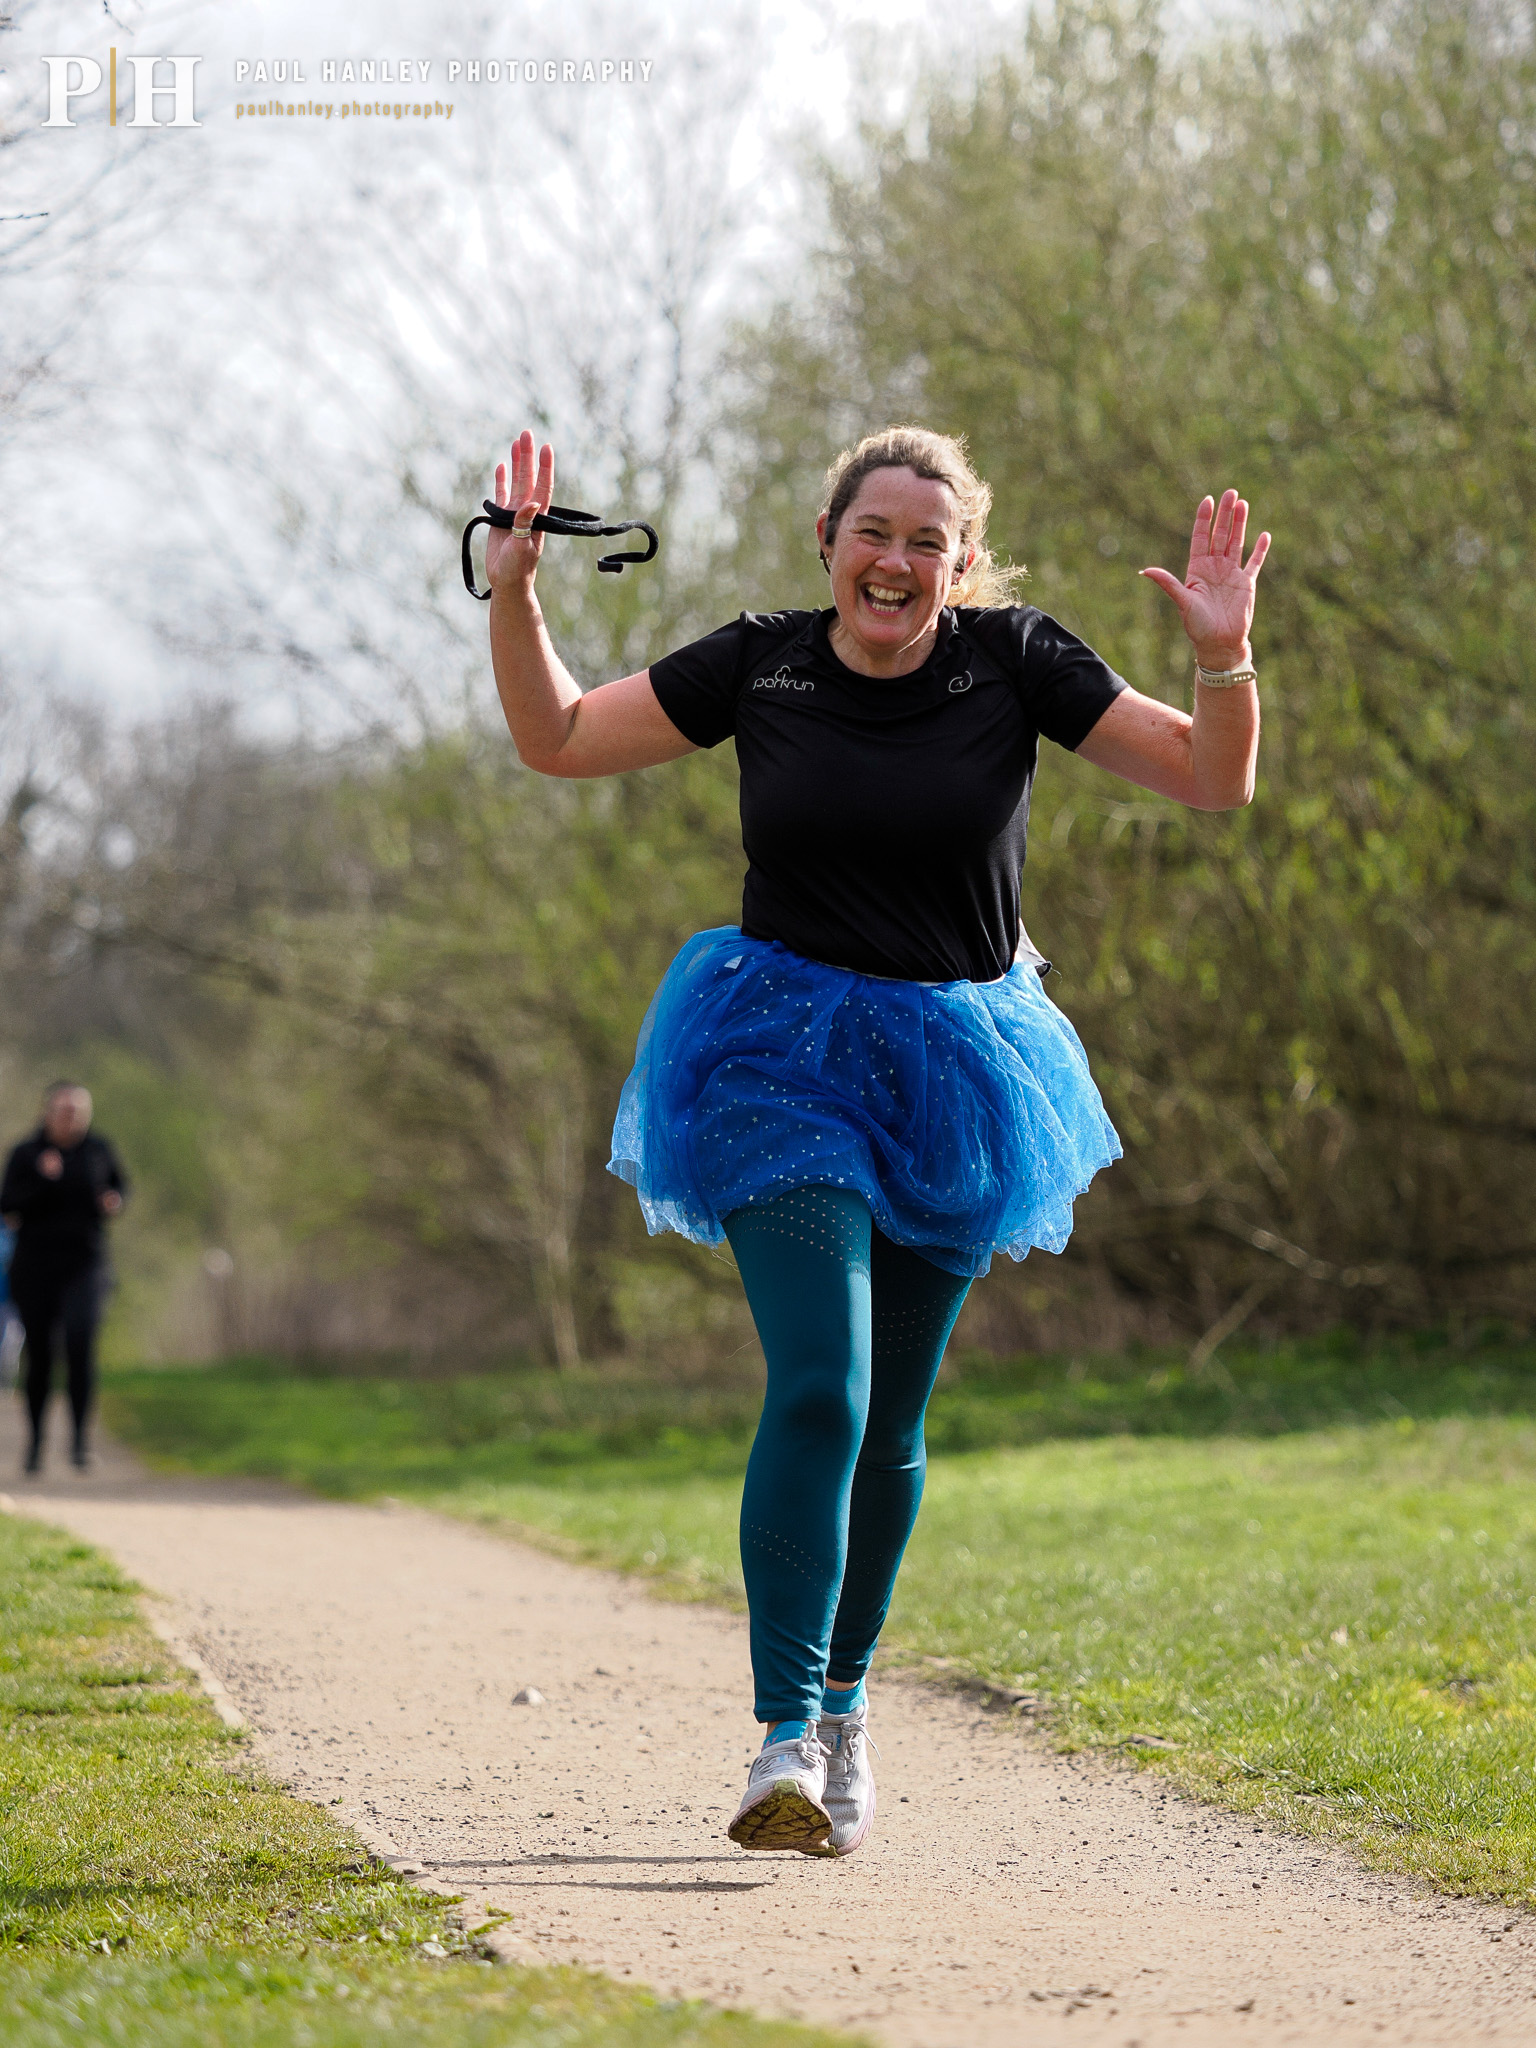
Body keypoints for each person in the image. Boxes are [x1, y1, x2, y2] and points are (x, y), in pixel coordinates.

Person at [484, 422, 1267, 1857]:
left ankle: (844, 1711)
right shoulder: (764, 663)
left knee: (892, 1424)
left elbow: (1211, 780)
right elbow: (559, 738)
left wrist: (1224, 657)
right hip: (778, 1056)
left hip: (961, 1065)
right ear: (829, 545)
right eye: (873, 533)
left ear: (962, 563)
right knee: (823, 1388)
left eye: (927, 540)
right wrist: (519, 591)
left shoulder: (1018, 660)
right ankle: (779, 1736)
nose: (896, 561)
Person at [0, 1082, 129, 1473]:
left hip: (85, 1266)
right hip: (36, 1267)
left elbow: (120, 1189)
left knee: (79, 1343)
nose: (71, 1117)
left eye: (78, 1110)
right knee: (39, 1355)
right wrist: (42, 1179)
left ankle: (78, 1444)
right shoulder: (27, 1154)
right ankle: (36, 1445)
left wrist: (114, 1202)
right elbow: (7, 1206)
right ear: (48, 1112)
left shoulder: (98, 1150)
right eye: (64, 1109)